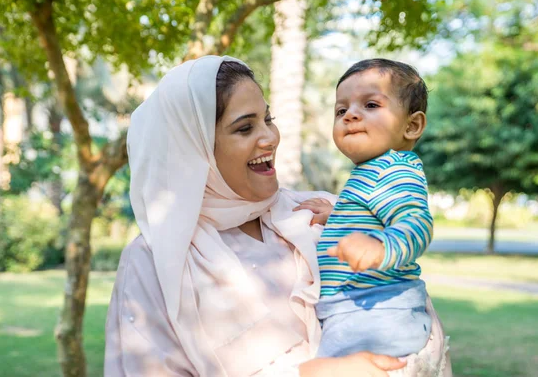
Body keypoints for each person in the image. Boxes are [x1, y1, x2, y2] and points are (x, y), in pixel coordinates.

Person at [104, 55, 450, 376]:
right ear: (194, 151)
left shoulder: (320, 212)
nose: (270, 138)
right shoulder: (155, 261)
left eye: (268, 119)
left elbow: (415, 317)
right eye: (244, 128)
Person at [315, 59, 435, 361]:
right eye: (341, 110)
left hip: (375, 311)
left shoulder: (393, 170)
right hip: (361, 309)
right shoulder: (374, 171)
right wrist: (337, 216)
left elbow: (417, 224)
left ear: (412, 125)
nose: (351, 115)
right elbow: (376, 213)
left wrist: (380, 246)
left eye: (370, 104)